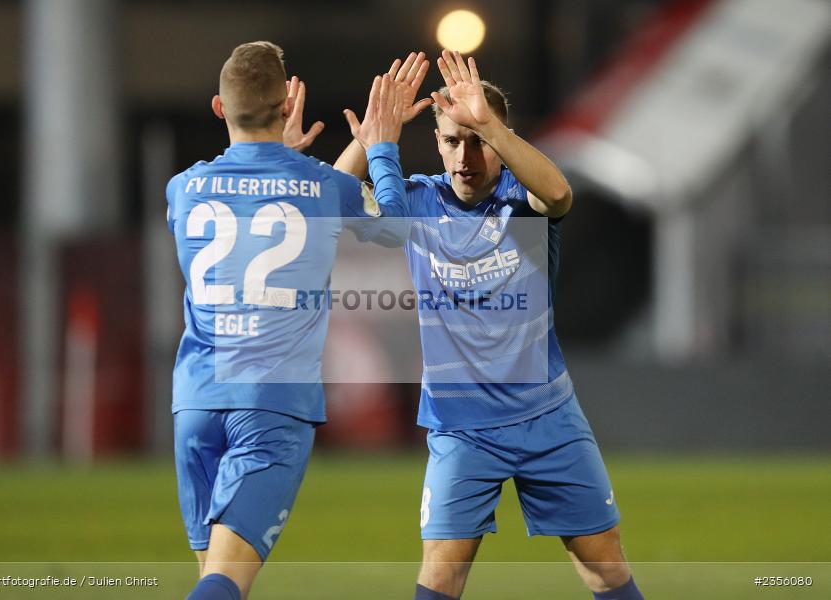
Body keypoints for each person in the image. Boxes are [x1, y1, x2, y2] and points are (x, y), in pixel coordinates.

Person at [335, 50, 645, 600]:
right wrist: (371, 139)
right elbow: (335, 204)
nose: (464, 155)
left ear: (499, 140)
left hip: (547, 416)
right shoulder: (420, 201)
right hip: (461, 425)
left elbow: (558, 193)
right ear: (436, 143)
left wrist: (491, 125)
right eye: (453, 140)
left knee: (605, 569)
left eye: (477, 139)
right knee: (441, 577)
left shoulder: (519, 202)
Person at [166, 41, 408, 600]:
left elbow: (272, 206)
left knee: (219, 578)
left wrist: (286, 162)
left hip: (195, 407)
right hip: (268, 408)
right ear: (285, 107)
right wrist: (383, 148)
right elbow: (396, 229)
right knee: (225, 584)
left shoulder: (182, 188)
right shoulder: (320, 187)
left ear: (219, 109)